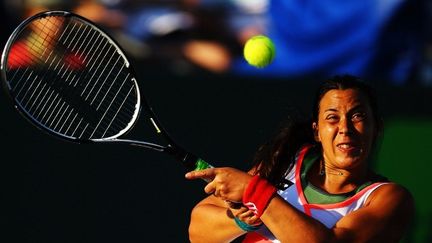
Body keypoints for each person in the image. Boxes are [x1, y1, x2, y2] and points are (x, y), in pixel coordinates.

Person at [185, 75, 414, 242]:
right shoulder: (284, 162)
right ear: (317, 131)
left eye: (357, 116)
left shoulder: (389, 199)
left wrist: (255, 192)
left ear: (376, 128)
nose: (345, 128)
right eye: (332, 118)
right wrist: (241, 222)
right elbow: (198, 232)